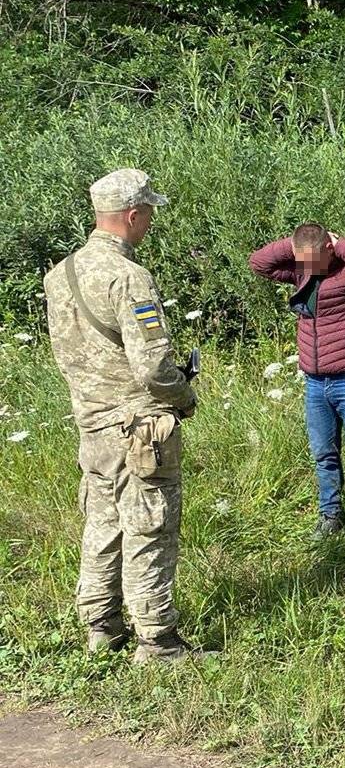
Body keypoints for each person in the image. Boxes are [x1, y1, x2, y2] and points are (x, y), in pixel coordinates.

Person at [43, 169, 202, 663]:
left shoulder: (61, 273)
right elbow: (152, 364)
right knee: (150, 526)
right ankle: (157, 640)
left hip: (92, 422)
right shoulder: (128, 276)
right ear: (133, 215)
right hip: (140, 426)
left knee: (103, 522)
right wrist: (183, 396)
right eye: (149, 212)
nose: (151, 220)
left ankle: (100, 626)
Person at [249, 223, 345, 537]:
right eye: (303, 260)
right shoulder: (301, 272)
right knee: (324, 454)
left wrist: (337, 243)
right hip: (314, 381)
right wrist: (299, 243)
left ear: (330, 248)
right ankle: (330, 516)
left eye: (316, 258)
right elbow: (259, 262)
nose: (309, 267)